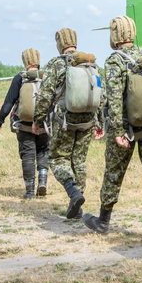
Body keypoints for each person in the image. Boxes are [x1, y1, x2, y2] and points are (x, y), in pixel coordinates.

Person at [82, 16, 142, 244]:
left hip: (126, 128)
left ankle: (103, 221)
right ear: (133, 33)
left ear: (114, 35)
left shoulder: (115, 61)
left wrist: (116, 131)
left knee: (113, 173)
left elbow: (113, 98)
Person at [33, 28, 105, 219]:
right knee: (79, 161)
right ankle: (78, 204)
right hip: (88, 120)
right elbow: (101, 95)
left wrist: (37, 120)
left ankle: (73, 193)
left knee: (57, 158)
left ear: (59, 44)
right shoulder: (90, 64)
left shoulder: (56, 64)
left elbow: (44, 95)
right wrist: (100, 121)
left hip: (64, 120)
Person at [0, 48, 49, 198]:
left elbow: (8, 103)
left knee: (28, 155)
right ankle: (43, 181)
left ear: (24, 61)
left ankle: (30, 191)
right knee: (43, 150)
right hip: (44, 124)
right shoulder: (46, 77)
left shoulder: (19, 78)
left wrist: (0, 121)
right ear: (38, 60)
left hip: (24, 125)